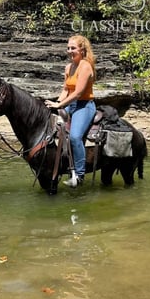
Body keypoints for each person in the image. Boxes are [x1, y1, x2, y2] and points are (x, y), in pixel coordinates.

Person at [45, 35, 96, 187]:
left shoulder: (85, 66)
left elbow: (78, 93)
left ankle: (79, 175)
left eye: (73, 48)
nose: (69, 51)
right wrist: (57, 103)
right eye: (68, 48)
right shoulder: (68, 67)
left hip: (84, 105)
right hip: (70, 104)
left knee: (74, 137)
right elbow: (66, 90)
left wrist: (59, 106)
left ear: (82, 49)